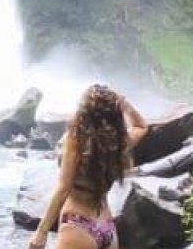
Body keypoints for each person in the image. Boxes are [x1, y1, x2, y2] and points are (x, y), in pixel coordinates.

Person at [28, 84, 149, 249]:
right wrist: (124, 103)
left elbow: (64, 188)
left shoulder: (76, 140)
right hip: (107, 226)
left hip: (78, 226)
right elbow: (142, 127)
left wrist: (42, 231)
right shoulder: (119, 143)